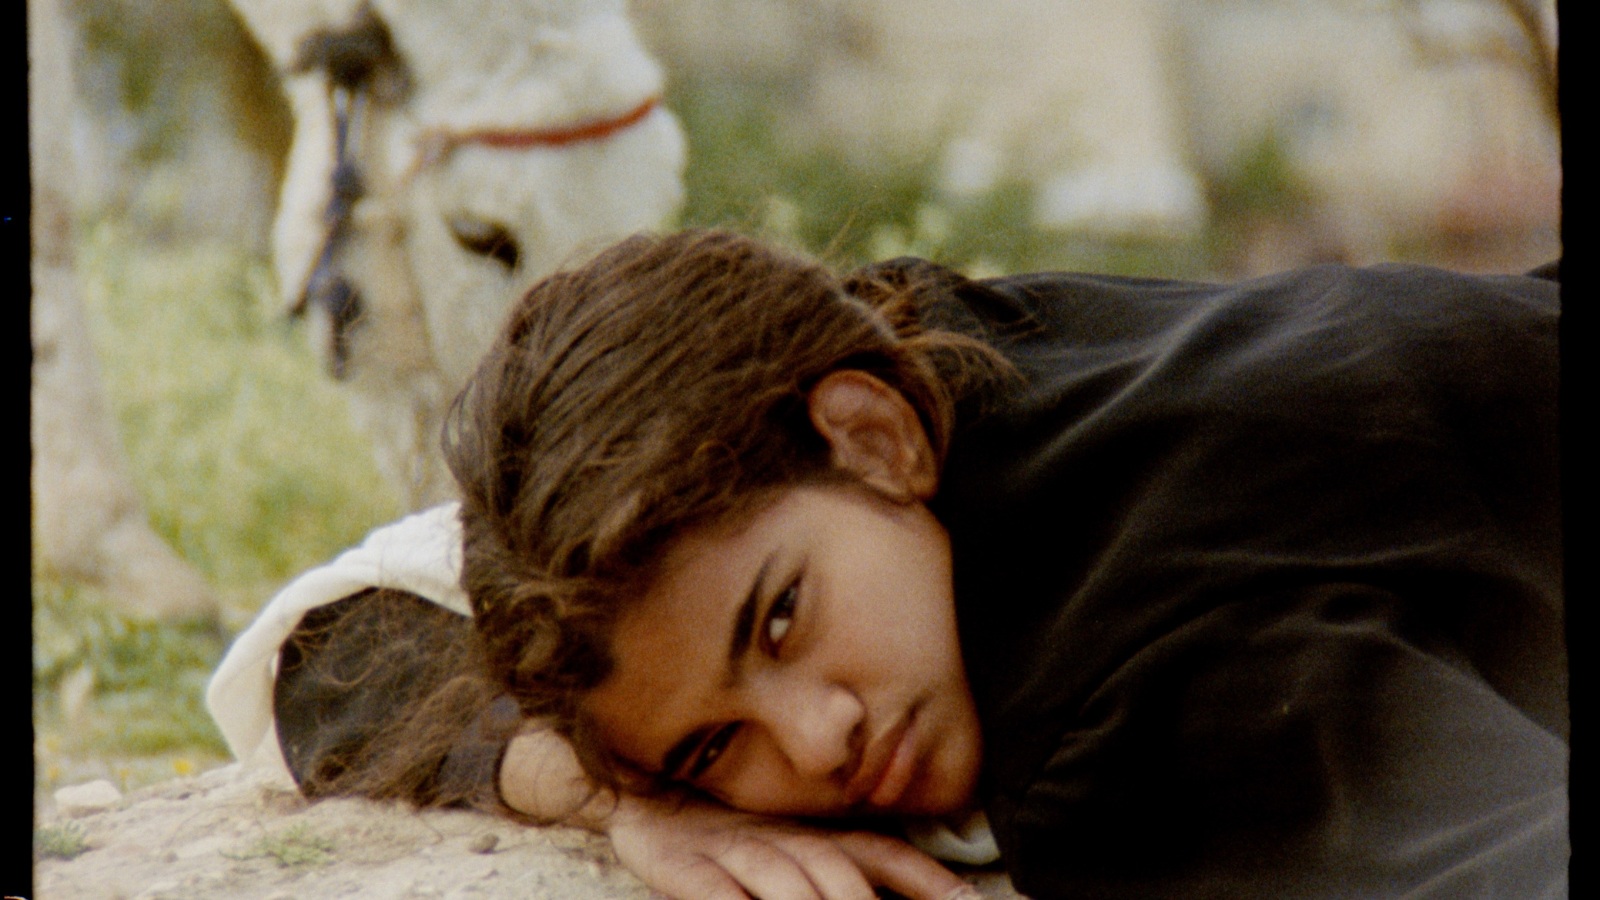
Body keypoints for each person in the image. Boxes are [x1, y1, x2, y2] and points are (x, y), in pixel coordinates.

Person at [208, 230, 1565, 899]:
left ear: (869, 437)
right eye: (711, 747)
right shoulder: (913, 348)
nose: (820, 740)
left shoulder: (1134, 706)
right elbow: (344, 639)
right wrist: (614, 793)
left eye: (782, 622)